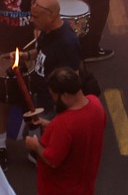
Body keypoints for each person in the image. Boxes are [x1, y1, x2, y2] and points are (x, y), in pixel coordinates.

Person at [25, 67, 105, 195]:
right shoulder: (96, 104)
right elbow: (79, 133)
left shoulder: (63, 124)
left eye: (54, 96)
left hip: (59, 189)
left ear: (66, 95)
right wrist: (50, 126)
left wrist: (34, 145)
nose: (54, 101)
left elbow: (52, 160)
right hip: (85, 186)